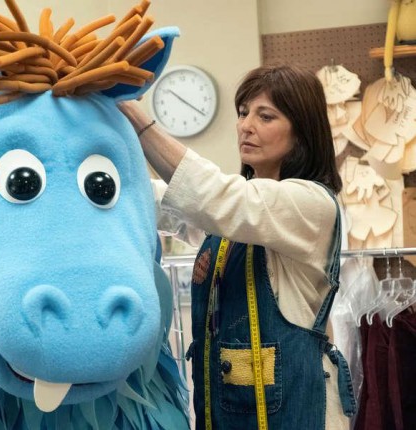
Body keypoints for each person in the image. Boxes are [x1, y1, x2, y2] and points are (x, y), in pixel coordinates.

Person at [118, 63, 356, 429]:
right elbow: (168, 203)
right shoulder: (238, 215)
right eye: (243, 113)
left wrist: (133, 115)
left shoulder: (312, 205)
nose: (246, 125)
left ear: (302, 131)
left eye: (266, 116)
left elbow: (212, 198)